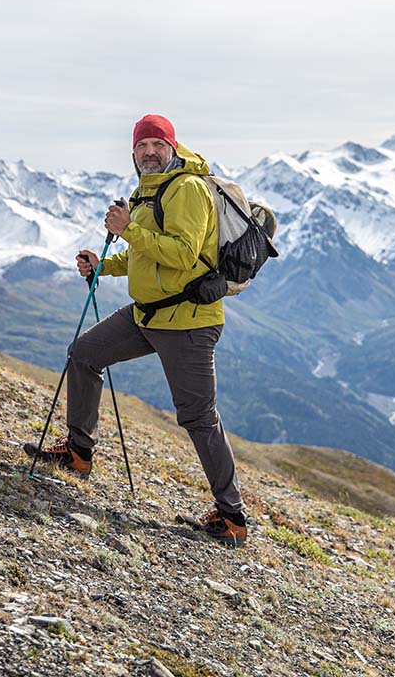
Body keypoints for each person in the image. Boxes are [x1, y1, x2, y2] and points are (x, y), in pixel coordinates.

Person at [25, 113, 248, 546]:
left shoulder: (187, 190)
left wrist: (128, 230)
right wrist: (103, 266)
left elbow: (182, 255)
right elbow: (146, 257)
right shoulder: (146, 192)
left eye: (157, 145)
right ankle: (78, 452)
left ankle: (231, 516)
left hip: (187, 322)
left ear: (172, 148)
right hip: (147, 314)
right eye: (142, 146)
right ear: (133, 152)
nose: (149, 152)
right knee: (84, 354)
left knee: (198, 417)